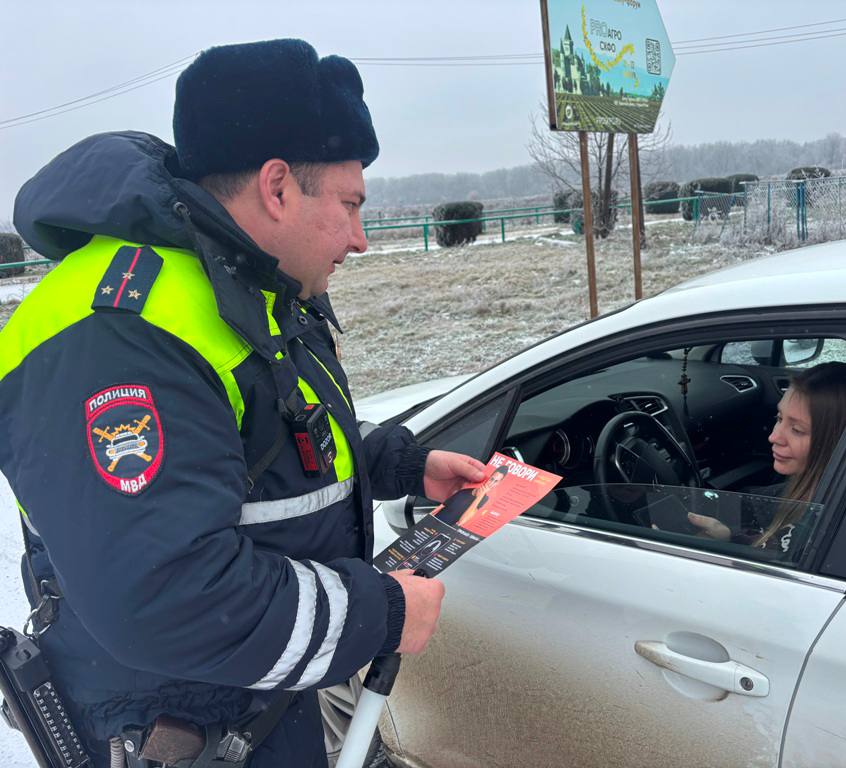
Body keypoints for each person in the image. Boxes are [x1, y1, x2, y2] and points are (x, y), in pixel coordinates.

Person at [0, 39, 486, 767]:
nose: (360, 238)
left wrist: (399, 464)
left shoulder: (237, 282)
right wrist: (380, 613)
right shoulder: (121, 330)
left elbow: (263, 433)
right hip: (171, 726)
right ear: (277, 187)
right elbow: (168, 596)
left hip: (247, 699)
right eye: (350, 205)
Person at [688, 361, 846, 553]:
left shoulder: (823, 529)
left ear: (839, 441)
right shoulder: (809, 494)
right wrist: (727, 538)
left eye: (797, 429)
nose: (774, 437)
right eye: (779, 418)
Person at [433, 465, 509, 528]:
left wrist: (480, 496)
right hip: (433, 521)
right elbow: (442, 506)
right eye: (492, 479)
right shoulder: (464, 491)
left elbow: (461, 522)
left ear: (498, 483)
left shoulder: (484, 499)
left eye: (496, 481)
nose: (491, 483)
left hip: (444, 529)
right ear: (489, 478)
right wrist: (429, 517)